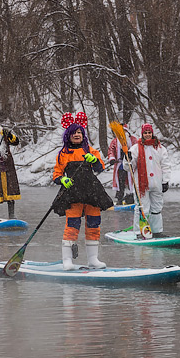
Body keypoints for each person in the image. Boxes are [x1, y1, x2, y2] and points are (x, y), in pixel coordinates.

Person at [52, 112, 114, 270]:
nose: (77, 135)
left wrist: (94, 160)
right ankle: (67, 260)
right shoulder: (63, 154)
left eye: (79, 132)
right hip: (73, 193)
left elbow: (100, 168)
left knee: (94, 224)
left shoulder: (90, 150)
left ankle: (93, 259)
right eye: (74, 133)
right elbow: (56, 175)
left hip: (92, 191)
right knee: (72, 225)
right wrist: (62, 180)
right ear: (68, 136)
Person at [129, 123, 171, 237]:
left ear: (152, 133)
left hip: (157, 183)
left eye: (149, 133)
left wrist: (165, 181)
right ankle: (139, 232)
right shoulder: (136, 148)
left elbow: (165, 165)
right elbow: (128, 167)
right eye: (145, 133)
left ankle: (157, 231)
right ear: (142, 134)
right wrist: (127, 158)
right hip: (141, 185)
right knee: (142, 208)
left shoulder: (160, 148)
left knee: (156, 208)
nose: (147, 135)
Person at [107, 125, 138, 205]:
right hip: (120, 166)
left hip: (131, 165)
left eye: (124, 132)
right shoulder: (115, 141)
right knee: (120, 182)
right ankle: (119, 198)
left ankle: (133, 197)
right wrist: (112, 159)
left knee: (133, 182)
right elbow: (111, 150)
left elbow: (138, 150)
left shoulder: (133, 140)